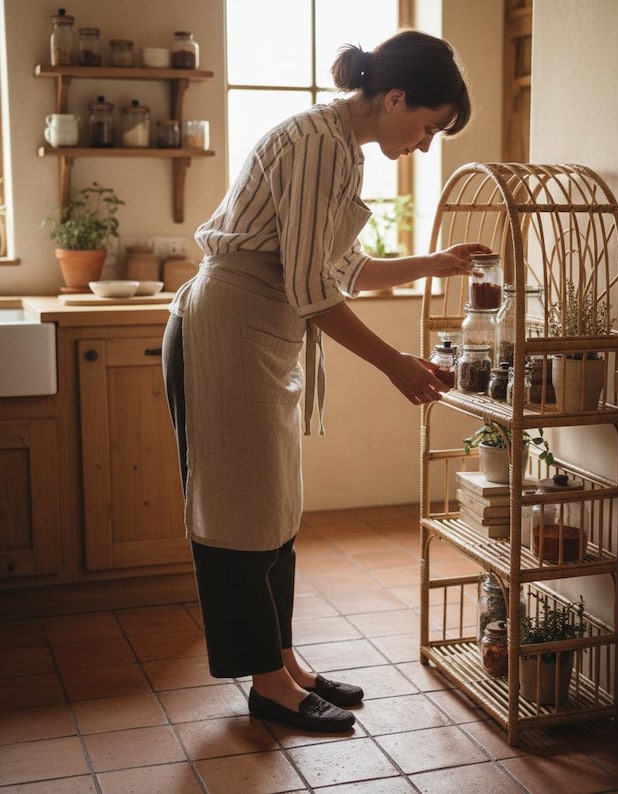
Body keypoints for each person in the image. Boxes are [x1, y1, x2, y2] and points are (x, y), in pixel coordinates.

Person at [162, 28, 488, 734]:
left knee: (274, 507)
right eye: (428, 127)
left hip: (263, 329)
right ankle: (268, 685)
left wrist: (432, 263)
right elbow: (318, 286)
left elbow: (338, 269)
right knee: (239, 509)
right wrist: (394, 362)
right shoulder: (316, 140)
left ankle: (282, 661)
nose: (426, 144)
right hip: (227, 327)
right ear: (396, 97)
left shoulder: (342, 149)